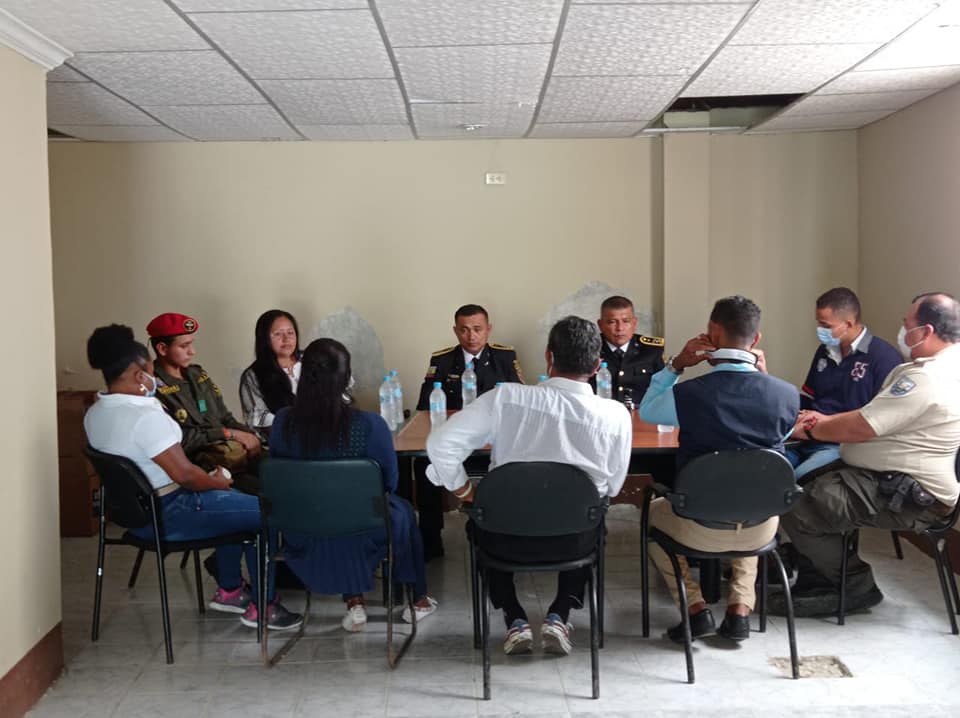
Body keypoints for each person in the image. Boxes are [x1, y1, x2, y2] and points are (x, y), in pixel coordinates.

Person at [426, 316, 632, 656]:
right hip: (574, 543)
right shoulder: (616, 416)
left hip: (505, 539)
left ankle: (514, 618)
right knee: (594, 515)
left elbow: (440, 445)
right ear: (597, 365)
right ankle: (560, 614)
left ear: (548, 357)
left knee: (481, 520)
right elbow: (613, 486)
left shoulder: (505, 399)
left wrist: (466, 492)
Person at [83, 324, 301, 630]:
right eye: (150, 371)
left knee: (236, 504)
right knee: (266, 511)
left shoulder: (95, 414)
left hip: (136, 517)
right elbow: (185, 475)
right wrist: (216, 481)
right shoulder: (145, 418)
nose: (154, 378)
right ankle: (264, 607)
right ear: (138, 375)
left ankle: (230, 591)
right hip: (172, 511)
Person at [775, 292, 960, 617]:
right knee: (807, 480)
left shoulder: (925, 376)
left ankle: (854, 587)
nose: (903, 330)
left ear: (927, 331)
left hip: (908, 491)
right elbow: (871, 415)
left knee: (797, 502)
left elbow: (863, 425)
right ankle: (818, 578)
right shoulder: (943, 367)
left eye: (907, 325)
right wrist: (818, 423)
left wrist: (816, 429)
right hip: (892, 477)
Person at [639, 296, 799, 642]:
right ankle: (740, 610)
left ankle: (695, 609)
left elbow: (648, 410)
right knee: (751, 496)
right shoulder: (786, 395)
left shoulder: (689, 395)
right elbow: (782, 434)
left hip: (700, 525)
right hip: (763, 528)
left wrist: (675, 366)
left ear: (712, 333)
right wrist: (765, 378)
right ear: (756, 340)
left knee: (651, 516)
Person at [269, 338, 438, 632]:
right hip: (364, 532)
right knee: (403, 512)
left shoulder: (283, 423)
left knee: (339, 509)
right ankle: (417, 599)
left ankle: (355, 601)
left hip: (300, 530)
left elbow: (282, 477)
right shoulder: (370, 425)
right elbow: (388, 483)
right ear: (346, 378)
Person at [412, 304, 524, 561]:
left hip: (492, 441)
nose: (471, 336)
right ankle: (430, 540)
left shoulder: (504, 357)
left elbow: (519, 400)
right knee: (423, 463)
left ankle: (507, 536)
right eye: (464, 330)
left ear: (488, 329)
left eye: (477, 329)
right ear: (455, 331)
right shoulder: (442, 360)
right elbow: (425, 405)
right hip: (457, 441)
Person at [789, 288, 901, 478]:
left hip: (842, 445)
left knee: (796, 479)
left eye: (825, 325)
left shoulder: (884, 358)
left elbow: (879, 418)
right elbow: (810, 398)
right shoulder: (825, 351)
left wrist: (825, 421)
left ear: (848, 324)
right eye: (818, 323)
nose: (820, 330)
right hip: (805, 438)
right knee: (769, 470)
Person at [147, 313, 262, 493]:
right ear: (162, 348)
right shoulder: (152, 388)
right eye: (184, 346)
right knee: (262, 493)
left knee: (281, 472)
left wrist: (252, 437)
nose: (192, 351)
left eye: (191, 344)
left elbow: (225, 417)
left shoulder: (198, 375)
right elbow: (178, 440)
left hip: (230, 454)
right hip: (200, 466)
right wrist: (227, 433)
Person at [239, 310, 302, 442]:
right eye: (278, 334)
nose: (286, 339)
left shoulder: (313, 360)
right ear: (264, 338)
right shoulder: (253, 375)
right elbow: (263, 421)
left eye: (290, 332)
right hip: (287, 443)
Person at [593, 295, 665, 408]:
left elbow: (662, 391)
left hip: (641, 414)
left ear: (634, 323)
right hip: (600, 414)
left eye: (626, 321)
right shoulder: (589, 349)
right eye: (612, 322)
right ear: (600, 325)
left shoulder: (651, 350)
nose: (620, 328)